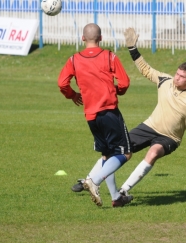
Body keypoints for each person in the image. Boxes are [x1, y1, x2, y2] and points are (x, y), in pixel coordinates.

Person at [71, 27, 186, 201]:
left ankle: (123, 191)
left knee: (153, 152)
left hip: (169, 138)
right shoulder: (165, 80)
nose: (177, 78)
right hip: (149, 127)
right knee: (116, 149)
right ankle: (89, 180)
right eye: (177, 74)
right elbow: (145, 69)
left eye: (181, 77)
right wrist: (133, 49)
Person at [58, 23, 133, 208]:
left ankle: (116, 197)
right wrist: (116, 91)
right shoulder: (109, 56)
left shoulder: (73, 60)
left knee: (107, 155)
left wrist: (72, 95)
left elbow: (62, 83)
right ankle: (93, 181)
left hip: (91, 116)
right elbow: (124, 82)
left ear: (82, 38)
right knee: (126, 153)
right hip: (109, 112)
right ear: (100, 38)